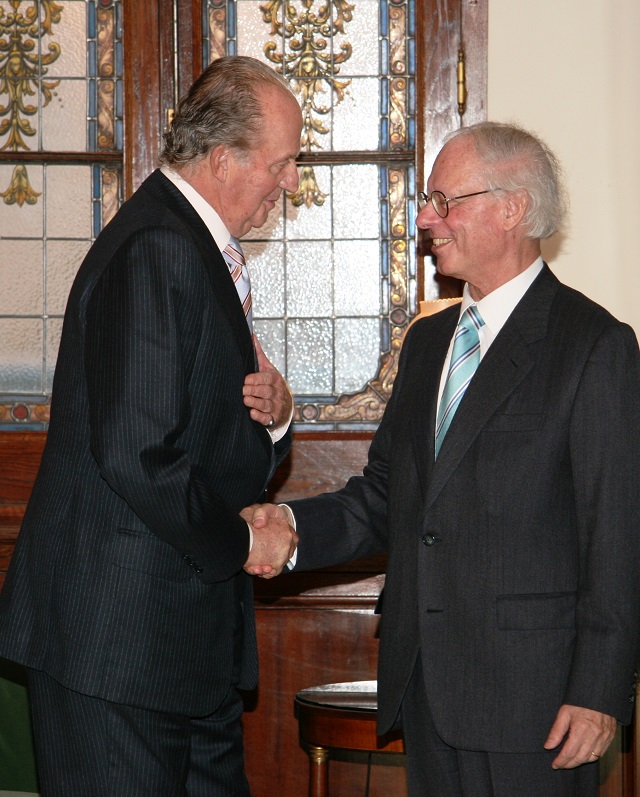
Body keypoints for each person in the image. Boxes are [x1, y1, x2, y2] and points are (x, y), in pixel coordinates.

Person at [246, 122, 640, 797]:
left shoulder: (592, 345)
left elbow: (617, 532)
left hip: (538, 706)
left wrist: (600, 691)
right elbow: (384, 498)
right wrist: (287, 530)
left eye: (444, 200)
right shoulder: (429, 342)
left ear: (512, 208)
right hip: (427, 688)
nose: (426, 217)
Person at [0, 55, 301, 795]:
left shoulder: (186, 245)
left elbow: (200, 431)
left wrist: (278, 418)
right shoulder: (159, 248)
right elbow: (138, 453)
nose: (291, 182)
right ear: (225, 159)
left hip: (177, 649)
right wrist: (243, 538)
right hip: (120, 646)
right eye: (284, 162)